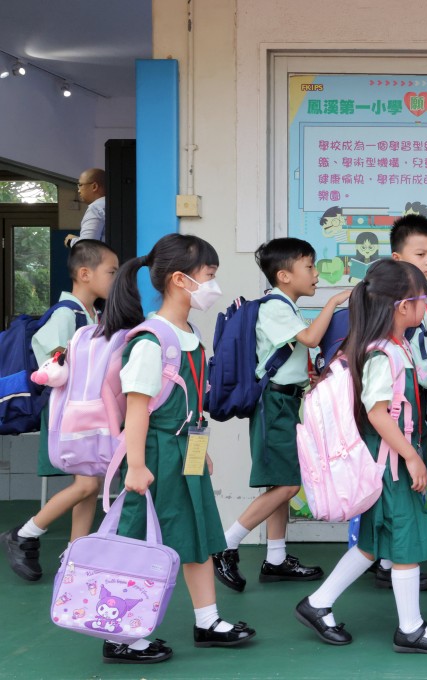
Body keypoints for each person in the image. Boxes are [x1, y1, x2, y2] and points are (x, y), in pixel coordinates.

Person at [294, 260, 427, 653]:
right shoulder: (384, 354)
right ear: (403, 306)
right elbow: (377, 413)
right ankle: (411, 629)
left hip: (387, 459)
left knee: (374, 540)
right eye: (425, 298)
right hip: (392, 463)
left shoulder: (388, 347)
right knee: (404, 538)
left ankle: (317, 604)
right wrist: (413, 458)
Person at [109, 234, 255, 663]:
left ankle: (207, 620)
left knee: (197, 535)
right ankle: (123, 633)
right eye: (209, 276)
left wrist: (200, 448)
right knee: (141, 543)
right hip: (152, 458)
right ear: (180, 280)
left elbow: (188, 404)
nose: (214, 286)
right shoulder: (151, 340)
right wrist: (135, 466)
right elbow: (137, 412)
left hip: (184, 452)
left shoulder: (187, 333)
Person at [212, 238, 351, 593]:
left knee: (282, 483)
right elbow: (309, 338)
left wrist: (311, 378)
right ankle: (226, 543)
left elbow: (288, 356)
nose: (316, 274)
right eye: (309, 267)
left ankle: (275, 558)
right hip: (272, 404)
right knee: (288, 483)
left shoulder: (285, 306)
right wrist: (334, 303)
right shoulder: (275, 307)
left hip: (286, 401)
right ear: (285, 275)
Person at [1, 240, 118, 581]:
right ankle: (25, 534)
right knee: (86, 484)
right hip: (69, 415)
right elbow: (49, 364)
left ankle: (75, 556)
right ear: (85, 273)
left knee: (91, 483)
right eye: (110, 272)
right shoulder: (68, 314)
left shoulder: (91, 314)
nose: (115, 278)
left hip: (84, 415)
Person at [386, 214, 427, 588]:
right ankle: (389, 559)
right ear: (396, 258)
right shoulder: (388, 306)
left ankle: (393, 559)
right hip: (390, 416)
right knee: (390, 490)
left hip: (416, 407)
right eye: (420, 253)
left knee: (408, 488)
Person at [66, 168, 106, 246]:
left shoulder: (96, 208)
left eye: (80, 185)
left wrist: (71, 241)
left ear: (94, 186)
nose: (78, 190)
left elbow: (87, 245)